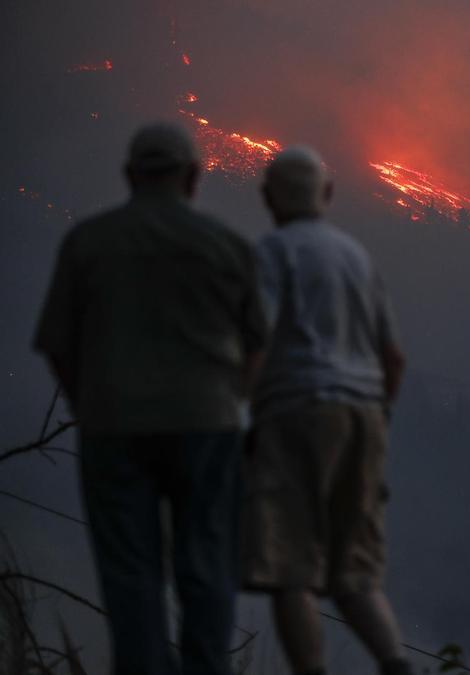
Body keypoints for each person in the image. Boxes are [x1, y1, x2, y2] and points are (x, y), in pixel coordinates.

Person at [33, 122, 267, 675]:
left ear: (130, 175)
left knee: (130, 572)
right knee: (207, 565)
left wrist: (89, 405)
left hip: (115, 426)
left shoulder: (89, 242)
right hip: (207, 426)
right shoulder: (227, 245)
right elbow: (258, 345)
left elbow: (57, 344)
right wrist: (231, 399)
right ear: (194, 176)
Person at [241, 146, 411, 675]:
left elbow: (257, 340)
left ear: (268, 197)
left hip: (298, 411)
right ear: (328, 194)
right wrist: (377, 420)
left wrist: (241, 412)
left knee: (291, 566)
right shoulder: (357, 257)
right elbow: (393, 357)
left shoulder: (272, 252)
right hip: (364, 416)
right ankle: (396, 664)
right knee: (356, 572)